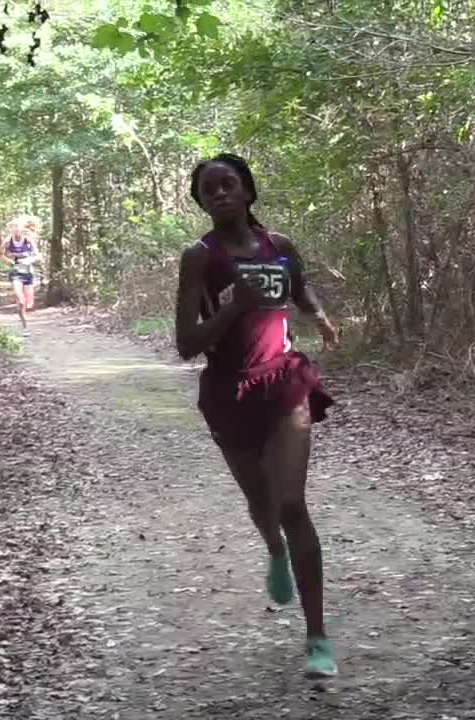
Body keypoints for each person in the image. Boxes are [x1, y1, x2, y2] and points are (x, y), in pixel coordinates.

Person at [173, 153, 341, 678]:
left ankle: (317, 638)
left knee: (293, 504)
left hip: (284, 380)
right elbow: (185, 344)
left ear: (247, 190)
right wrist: (234, 306)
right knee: (261, 501)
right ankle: (274, 551)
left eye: (228, 185)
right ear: (202, 202)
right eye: (208, 190)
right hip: (229, 390)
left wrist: (318, 314)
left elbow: (297, 282)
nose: (219, 194)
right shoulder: (198, 258)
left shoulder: (279, 247)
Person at [4, 216, 39, 329]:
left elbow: (38, 255)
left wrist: (29, 260)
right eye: (14, 227)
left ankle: (24, 313)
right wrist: (10, 261)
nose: (16, 229)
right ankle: (24, 322)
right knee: (20, 300)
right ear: (11, 229)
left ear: (22, 228)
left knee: (29, 304)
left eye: (18, 227)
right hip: (16, 274)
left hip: (28, 273)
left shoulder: (28, 241)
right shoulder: (8, 241)